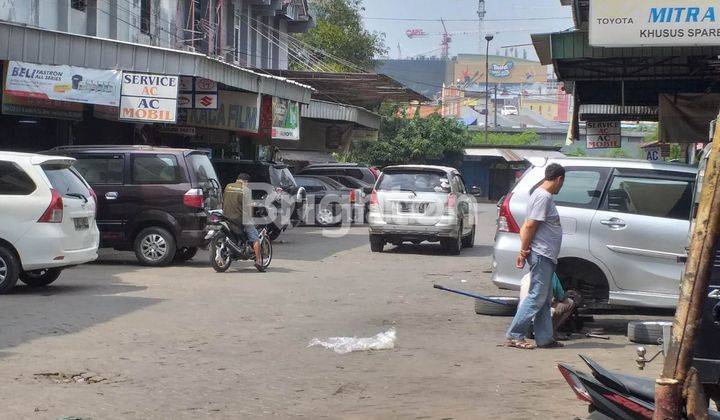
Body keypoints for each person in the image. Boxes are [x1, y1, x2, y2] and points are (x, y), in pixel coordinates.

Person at [506, 163, 566, 349]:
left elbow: (527, 224)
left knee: (544, 297)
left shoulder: (539, 195)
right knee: (537, 296)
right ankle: (515, 334)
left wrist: (522, 251)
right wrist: (523, 251)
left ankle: (545, 338)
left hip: (545, 254)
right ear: (559, 179)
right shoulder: (543, 197)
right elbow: (530, 225)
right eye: (562, 183)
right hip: (541, 254)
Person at [519, 273, 583, 341]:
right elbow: (560, 296)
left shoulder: (526, 276)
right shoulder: (551, 275)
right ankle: (551, 332)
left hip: (524, 317)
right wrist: (566, 294)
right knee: (570, 302)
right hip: (539, 316)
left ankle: (530, 330)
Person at [222, 173, 263, 269]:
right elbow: (248, 206)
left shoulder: (228, 186)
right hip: (240, 218)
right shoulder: (246, 190)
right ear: (245, 182)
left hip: (226, 216)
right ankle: (259, 261)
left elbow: (224, 200)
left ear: (237, 180)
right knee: (255, 237)